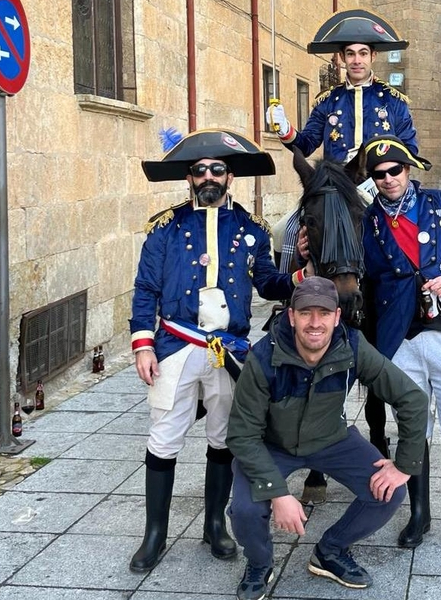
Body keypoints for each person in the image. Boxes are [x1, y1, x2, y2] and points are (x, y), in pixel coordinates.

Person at [128, 129, 309, 573]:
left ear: (230, 177)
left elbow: (268, 284)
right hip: (175, 345)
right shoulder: (165, 228)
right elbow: (146, 289)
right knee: (165, 436)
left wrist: (299, 273)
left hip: (229, 350)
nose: (208, 176)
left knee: (224, 437)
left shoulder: (250, 228)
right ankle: (155, 534)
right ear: (189, 177)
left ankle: (214, 524)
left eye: (217, 169)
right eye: (200, 170)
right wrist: (142, 346)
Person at [226, 277, 428, 599]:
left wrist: (404, 464)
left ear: (337, 316)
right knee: (246, 510)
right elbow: (241, 434)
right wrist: (278, 494)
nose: (315, 323)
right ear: (291, 316)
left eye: (324, 313)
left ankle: (330, 551)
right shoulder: (263, 357)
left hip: (333, 440)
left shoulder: (353, 345)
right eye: (306, 313)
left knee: (390, 491)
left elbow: (412, 399)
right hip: (272, 445)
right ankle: (260, 563)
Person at [360, 135, 441, 560]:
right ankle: (420, 514)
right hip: (400, 340)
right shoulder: (368, 222)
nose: (387, 179)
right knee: (413, 432)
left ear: (408, 169)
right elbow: (357, 274)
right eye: (378, 175)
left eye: (394, 171)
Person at [266, 9, 417, 271]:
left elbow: (409, 149)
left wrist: (378, 177)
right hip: (334, 186)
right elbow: (305, 144)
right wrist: (284, 129)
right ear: (342, 58)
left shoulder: (393, 101)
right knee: (282, 231)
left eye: (362, 53)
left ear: (373, 56)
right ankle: (290, 292)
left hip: (379, 184)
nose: (356, 60)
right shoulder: (328, 101)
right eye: (350, 54)